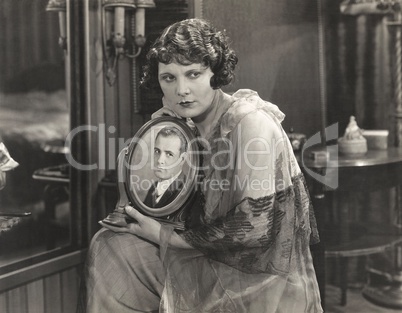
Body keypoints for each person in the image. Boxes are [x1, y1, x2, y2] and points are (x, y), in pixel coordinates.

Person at [80, 18, 323, 313]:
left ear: (215, 74)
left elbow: (256, 228)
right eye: (169, 78)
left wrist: (160, 236)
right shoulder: (184, 126)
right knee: (110, 244)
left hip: (259, 283)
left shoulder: (249, 122)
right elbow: (141, 183)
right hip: (210, 262)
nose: (182, 89)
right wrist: (160, 129)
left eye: (193, 74)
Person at [143, 126, 187, 208]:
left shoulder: (187, 191)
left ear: (182, 159)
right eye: (157, 151)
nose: (160, 160)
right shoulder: (154, 187)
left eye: (169, 154)